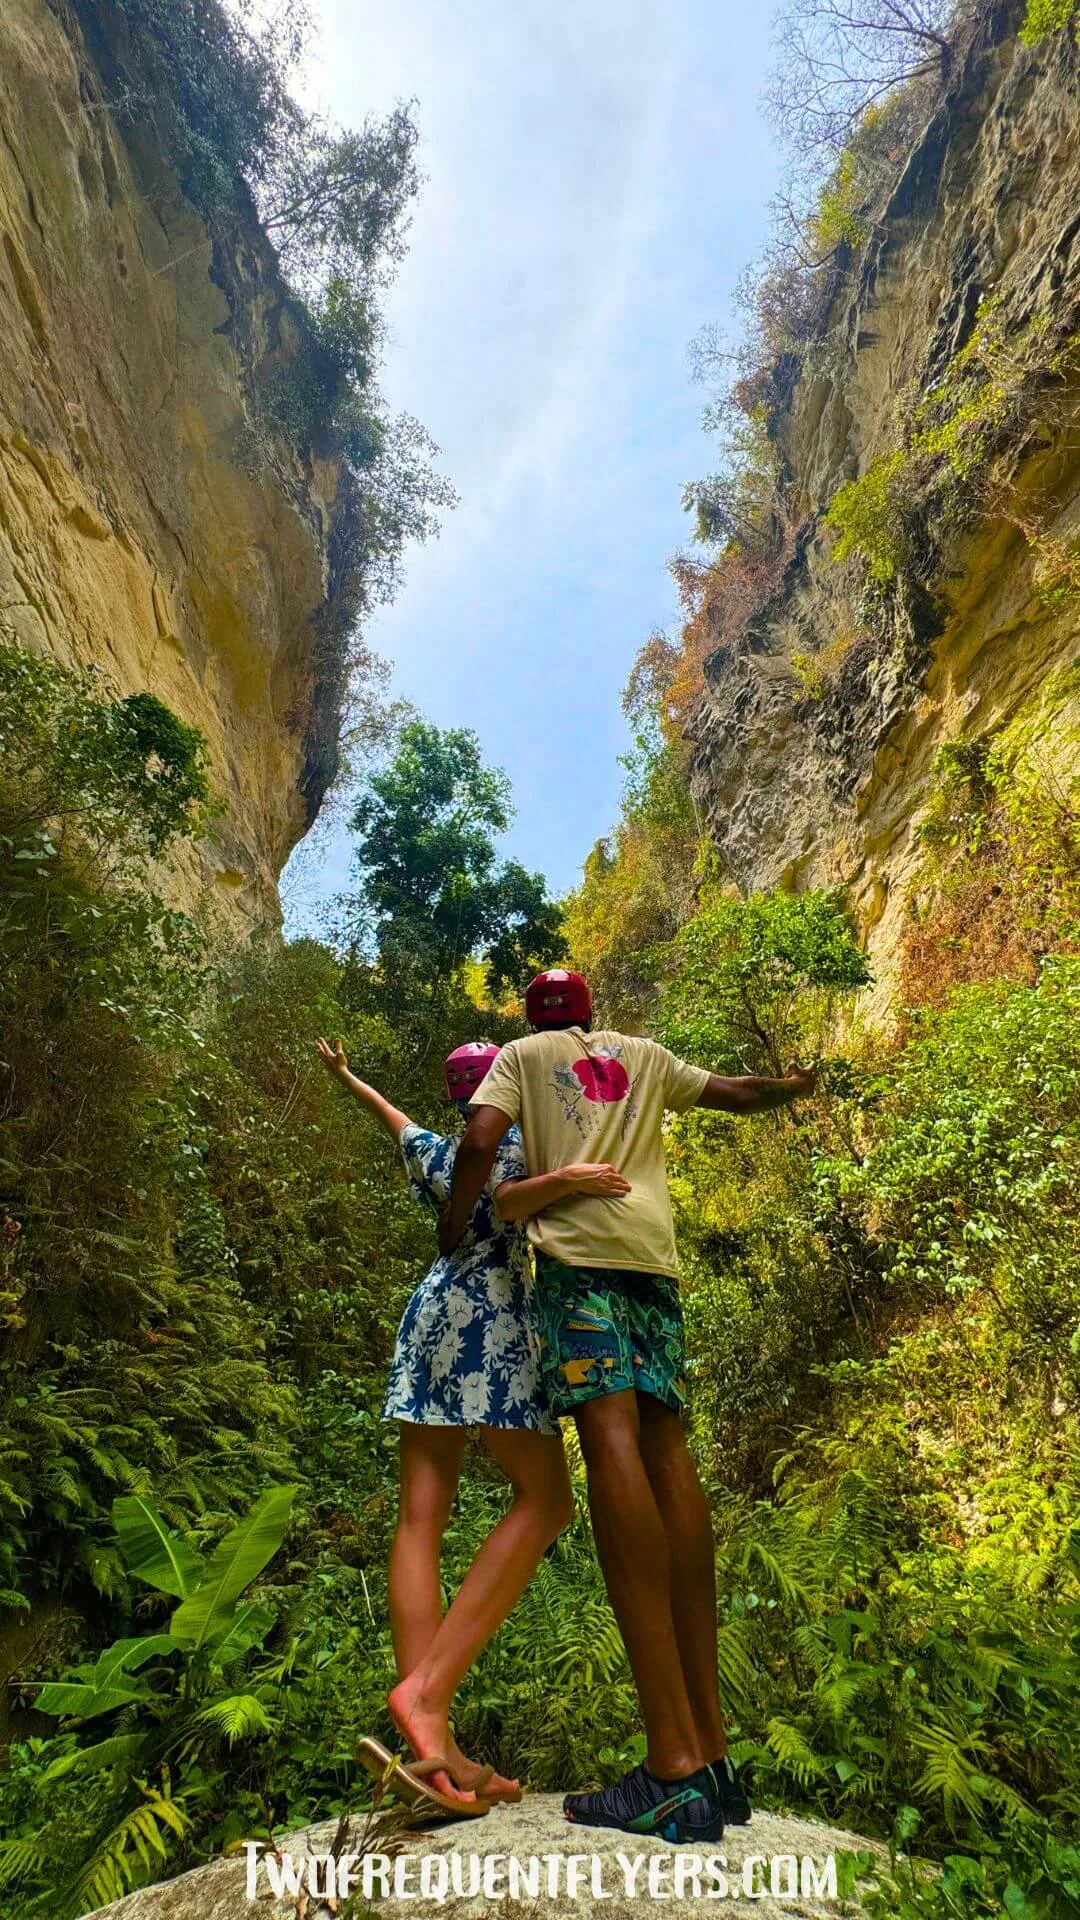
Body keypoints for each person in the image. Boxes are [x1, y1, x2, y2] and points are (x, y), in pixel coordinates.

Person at [436, 971, 816, 1844]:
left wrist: (456, 1225)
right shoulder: (642, 1055)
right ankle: (714, 1760)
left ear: (531, 1019)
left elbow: (477, 1143)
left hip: (582, 1266)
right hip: (653, 1261)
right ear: (594, 1012)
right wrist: (795, 1085)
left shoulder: (521, 1058)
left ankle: (672, 1769)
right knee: (667, 1449)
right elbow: (736, 1093)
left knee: (607, 1443)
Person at [317, 1033, 631, 1810]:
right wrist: (567, 1175)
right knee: (548, 1500)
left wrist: (348, 1075)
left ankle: (435, 1749)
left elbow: (392, 1118)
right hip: (490, 1316)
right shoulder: (520, 1143)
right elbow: (518, 1199)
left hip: (431, 1313)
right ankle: (426, 1697)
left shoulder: (442, 1148)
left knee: (420, 1520)